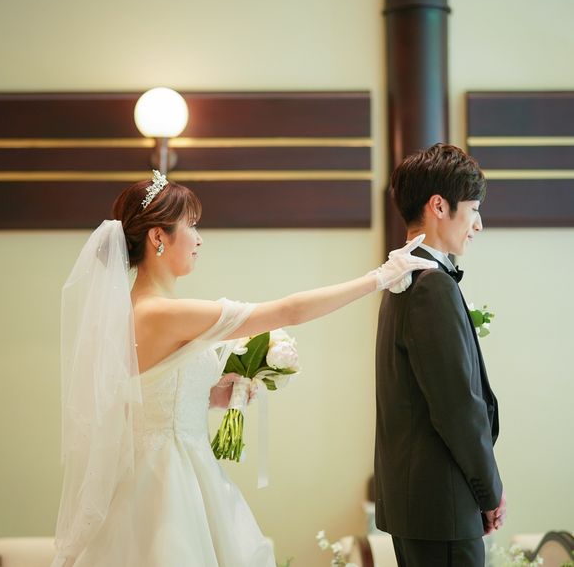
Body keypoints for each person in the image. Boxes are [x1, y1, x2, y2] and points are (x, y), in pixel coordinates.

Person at [52, 170, 437, 567]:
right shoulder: (161, 312)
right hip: (169, 481)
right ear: (157, 237)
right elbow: (288, 311)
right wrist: (379, 277)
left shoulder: (136, 310)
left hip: (162, 469)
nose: (199, 239)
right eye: (191, 226)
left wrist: (211, 395)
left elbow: (149, 395)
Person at [374, 143, 507, 567]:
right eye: (473, 209)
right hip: (442, 505)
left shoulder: (402, 277)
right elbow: (457, 406)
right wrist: (489, 491)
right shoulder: (431, 285)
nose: (478, 224)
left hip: (419, 505)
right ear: (438, 206)